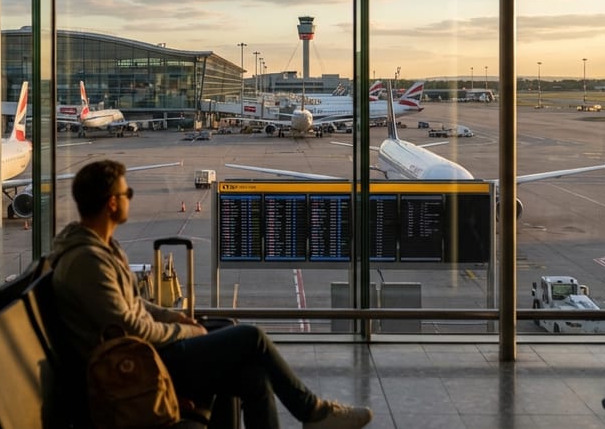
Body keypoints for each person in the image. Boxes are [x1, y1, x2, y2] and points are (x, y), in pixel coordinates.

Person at [51, 159, 373, 429]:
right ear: (111, 202)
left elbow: (134, 304)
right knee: (251, 338)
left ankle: (313, 412)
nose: (129, 198)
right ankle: (313, 412)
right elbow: (129, 327)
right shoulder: (87, 262)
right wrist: (182, 330)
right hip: (132, 368)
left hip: (141, 352)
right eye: (126, 193)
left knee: (253, 375)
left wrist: (170, 315)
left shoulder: (101, 248)